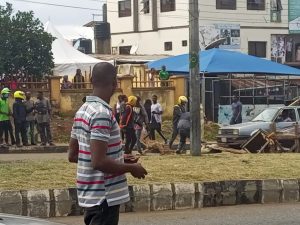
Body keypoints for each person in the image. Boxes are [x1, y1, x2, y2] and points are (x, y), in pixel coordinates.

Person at [68, 62, 147, 225]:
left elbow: (74, 155)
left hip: (90, 197)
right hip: (104, 198)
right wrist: (132, 168)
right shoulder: (102, 114)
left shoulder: (83, 110)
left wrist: (118, 157)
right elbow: (98, 162)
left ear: (91, 80)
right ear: (115, 83)